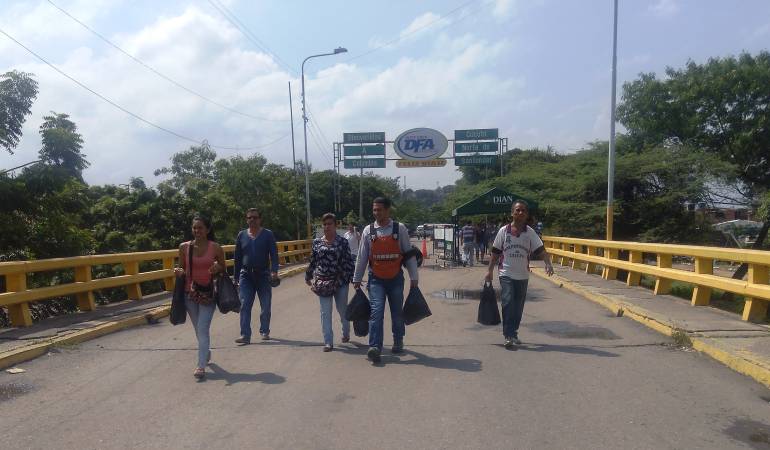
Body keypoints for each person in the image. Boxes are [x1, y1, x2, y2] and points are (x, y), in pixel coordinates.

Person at [353, 197, 419, 363]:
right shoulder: (368, 231)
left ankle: (398, 340)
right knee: (376, 312)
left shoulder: (399, 228)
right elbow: (362, 257)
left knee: (397, 313)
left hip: (396, 279)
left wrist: (414, 276)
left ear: (388, 210)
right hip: (376, 280)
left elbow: (408, 254)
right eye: (374, 210)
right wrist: (357, 278)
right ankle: (375, 347)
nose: (376, 213)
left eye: (379, 210)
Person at [485, 200, 554, 348]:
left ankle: (514, 333)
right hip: (506, 273)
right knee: (508, 302)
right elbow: (496, 252)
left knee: (518, 307)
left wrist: (548, 263)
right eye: (517, 210)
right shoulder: (504, 231)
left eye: (523, 210)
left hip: (523, 275)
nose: (520, 213)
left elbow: (541, 250)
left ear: (526, 214)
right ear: (512, 213)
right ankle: (508, 335)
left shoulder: (530, 232)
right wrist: (489, 270)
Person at [174, 214, 226, 379]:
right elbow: (181, 267)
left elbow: (223, 267)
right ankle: (206, 352)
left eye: (200, 228)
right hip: (189, 293)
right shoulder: (184, 247)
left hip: (208, 294)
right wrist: (179, 271)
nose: (197, 231)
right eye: (194, 228)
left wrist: (217, 267)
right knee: (198, 329)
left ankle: (200, 366)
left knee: (202, 328)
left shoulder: (216, 248)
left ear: (208, 230)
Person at [306, 213, 355, 352]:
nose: (327, 226)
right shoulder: (317, 242)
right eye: (325, 224)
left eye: (330, 224)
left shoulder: (342, 242)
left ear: (335, 226)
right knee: (325, 312)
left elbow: (348, 262)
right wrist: (308, 275)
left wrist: (352, 278)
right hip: (322, 282)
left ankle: (346, 332)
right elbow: (313, 260)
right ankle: (328, 341)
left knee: (342, 310)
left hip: (340, 282)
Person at [233, 208, 280, 344]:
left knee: (265, 305)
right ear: (246, 220)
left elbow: (274, 255)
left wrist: (274, 271)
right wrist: (235, 278)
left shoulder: (268, 235)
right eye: (250, 218)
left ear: (260, 219)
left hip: (264, 275)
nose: (252, 220)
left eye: (255, 217)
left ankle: (264, 330)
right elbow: (237, 258)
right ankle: (245, 335)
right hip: (246, 275)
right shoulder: (241, 235)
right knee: (244, 305)